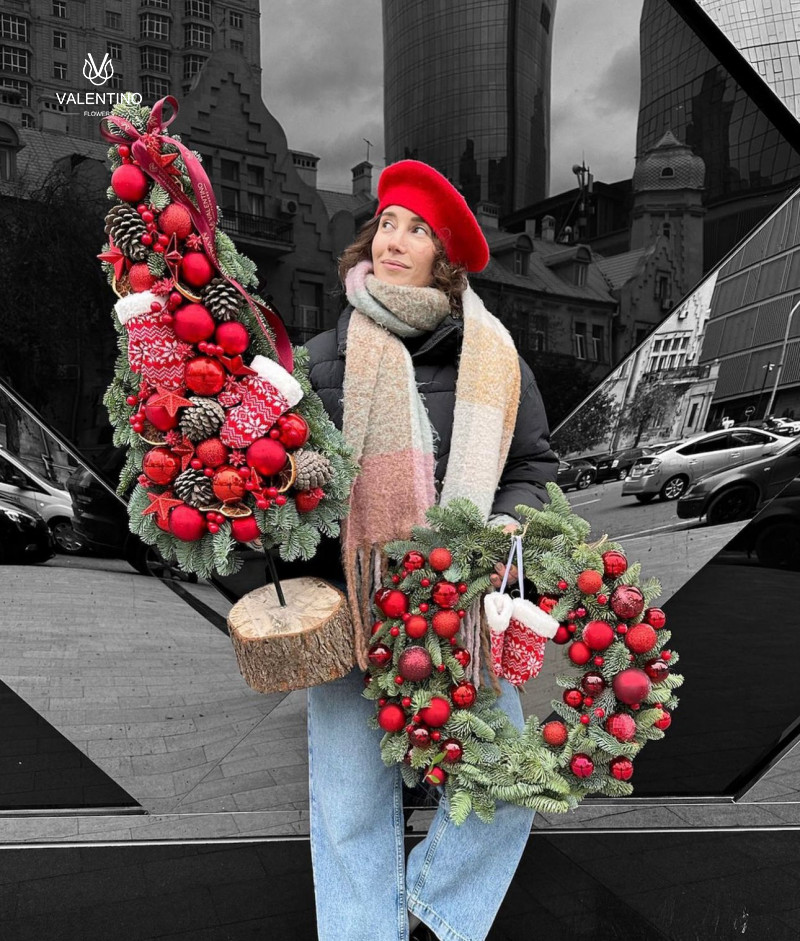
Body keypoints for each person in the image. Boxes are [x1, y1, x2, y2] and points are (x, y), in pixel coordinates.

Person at [303, 160, 558, 941]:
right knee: (348, 808)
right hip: (357, 615)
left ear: (444, 259)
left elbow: (532, 467)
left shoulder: (495, 358)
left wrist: (511, 523)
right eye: (387, 222)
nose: (394, 239)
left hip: (462, 613)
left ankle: (422, 917)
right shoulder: (325, 355)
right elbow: (288, 485)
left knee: (512, 777)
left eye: (417, 229)